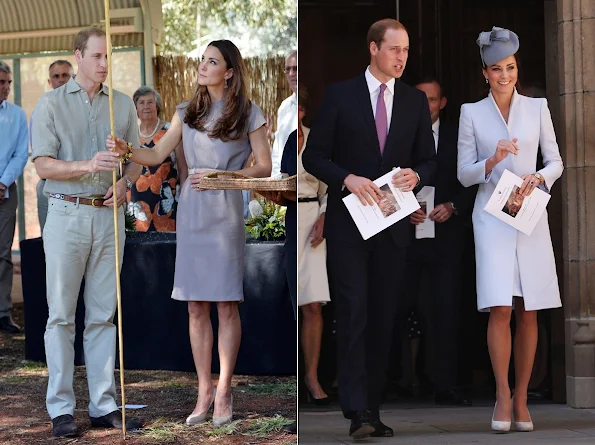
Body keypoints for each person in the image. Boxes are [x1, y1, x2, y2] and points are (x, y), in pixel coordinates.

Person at [107, 39, 272, 427]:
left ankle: (226, 390)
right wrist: (127, 148)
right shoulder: (186, 111)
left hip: (226, 209)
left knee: (226, 303)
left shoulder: (248, 112)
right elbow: (154, 154)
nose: (202, 66)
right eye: (202, 59)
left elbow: (263, 167)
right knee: (196, 305)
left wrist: (227, 176)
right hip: (193, 211)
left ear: (229, 71)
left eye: (211, 61)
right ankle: (204, 390)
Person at [302, 18, 436, 439]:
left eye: (407, 51)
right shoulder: (341, 95)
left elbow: (430, 161)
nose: (402, 57)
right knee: (355, 313)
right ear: (373, 49)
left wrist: (416, 174)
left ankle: (373, 408)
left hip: (394, 228)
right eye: (395, 49)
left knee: (383, 317)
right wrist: (347, 179)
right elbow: (313, 157)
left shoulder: (414, 101)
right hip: (349, 227)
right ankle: (357, 410)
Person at [31, 27, 143, 438]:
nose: (103, 63)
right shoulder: (50, 104)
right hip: (66, 215)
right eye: (96, 56)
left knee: (103, 316)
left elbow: (134, 158)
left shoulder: (122, 105)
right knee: (60, 316)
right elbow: (43, 166)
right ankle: (60, 409)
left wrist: (124, 181)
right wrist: (87, 165)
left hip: (109, 217)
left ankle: (103, 404)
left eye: (107, 57)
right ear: (77, 56)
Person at [457, 26, 563, 432]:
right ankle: (501, 394)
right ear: (484, 72)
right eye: (497, 69)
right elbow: (464, 175)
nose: (505, 76)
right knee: (500, 306)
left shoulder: (537, 108)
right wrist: (493, 159)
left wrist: (539, 176)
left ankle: (522, 399)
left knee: (529, 308)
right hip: (491, 218)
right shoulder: (471, 112)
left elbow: (556, 161)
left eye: (511, 68)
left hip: (530, 215)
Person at [404, 77, 477, 406]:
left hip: (446, 237)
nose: (426, 106)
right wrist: (404, 211)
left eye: (431, 100)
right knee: (400, 306)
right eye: (421, 99)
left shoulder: (458, 137)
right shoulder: (400, 134)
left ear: (442, 103)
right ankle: (400, 381)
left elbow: (478, 177)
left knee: (445, 309)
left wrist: (454, 206)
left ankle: (444, 384)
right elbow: (385, 178)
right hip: (407, 236)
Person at [296, 86, 331, 406]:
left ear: (303, 111)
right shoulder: (273, 139)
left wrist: (324, 217)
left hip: (312, 222)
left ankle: (312, 375)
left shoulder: (316, 140)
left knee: (313, 304)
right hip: (283, 216)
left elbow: (328, 188)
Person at [0, 60, 28, 334]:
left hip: (5, 193)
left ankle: (2, 312)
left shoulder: (17, 115)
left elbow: (21, 154)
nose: (6, 87)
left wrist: (3, 183)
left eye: (8, 82)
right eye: (1, 82)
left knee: (3, 253)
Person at [129, 86, 181, 232]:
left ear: (157, 106)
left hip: (166, 200)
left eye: (150, 102)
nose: (146, 107)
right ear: (135, 108)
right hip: (136, 201)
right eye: (141, 103)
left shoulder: (171, 131)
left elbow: (183, 167)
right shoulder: (129, 134)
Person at [35, 60, 74, 231]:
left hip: (78, 186)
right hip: (48, 185)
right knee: (50, 242)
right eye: (56, 76)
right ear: (49, 82)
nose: (60, 80)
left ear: (73, 78)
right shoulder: (41, 110)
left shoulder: (85, 108)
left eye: (65, 75)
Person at [270, 50, 297, 177]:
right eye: (288, 69)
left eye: (296, 68)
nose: (292, 74)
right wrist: (276, 180)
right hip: (286, 183)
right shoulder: (284, 107)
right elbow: (278, 148)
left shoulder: (316, 106)